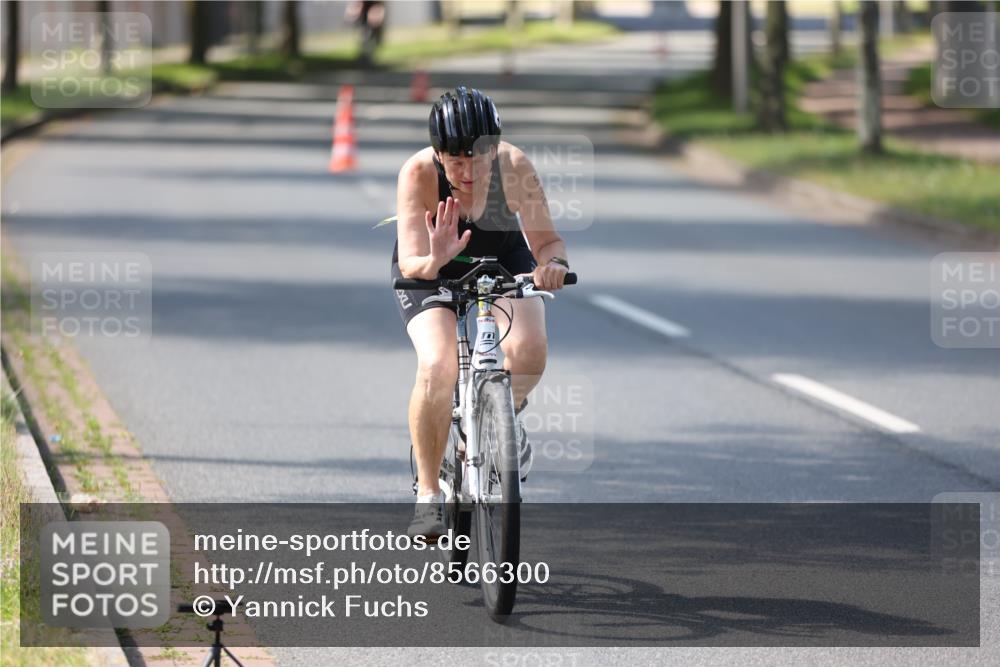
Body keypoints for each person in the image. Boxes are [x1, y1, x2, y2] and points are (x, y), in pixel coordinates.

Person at [391, 87, 569, 538]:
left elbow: (547, 242)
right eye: (455, 161)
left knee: (529, 346)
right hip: (431, 265)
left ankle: (505, 419)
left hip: (502, 256)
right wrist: (435, 258)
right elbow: (412, 261)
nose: (468, 171)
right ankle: (429, 494)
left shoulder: (514, 167)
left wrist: (553, 267)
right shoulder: (417, 174)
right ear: (438, 153)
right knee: (437, 365)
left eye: (479, 158)